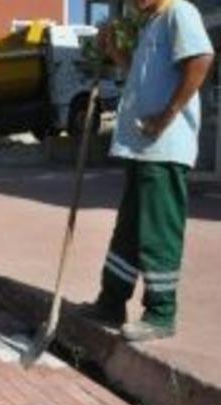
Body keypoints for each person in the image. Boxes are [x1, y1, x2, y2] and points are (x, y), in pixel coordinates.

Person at [91, 0, 214, 341]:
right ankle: (111, 301)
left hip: (164, 147)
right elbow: (139, 75)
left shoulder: (180, 12)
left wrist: (165, 116)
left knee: (158, 232)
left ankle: (161, 313)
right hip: (141, 148)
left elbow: (201, 59)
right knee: (128, 230)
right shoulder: (152, 23)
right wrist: (115, 50)